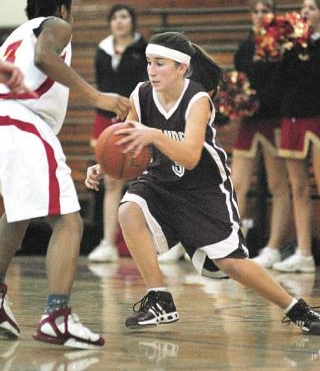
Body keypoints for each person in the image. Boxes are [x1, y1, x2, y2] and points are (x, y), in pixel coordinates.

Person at [85, 31, 320, 334]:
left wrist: (154, 135)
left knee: (230, 263)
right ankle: (160, 299)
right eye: (148, 63)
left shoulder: (197, 100)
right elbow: (125, 142)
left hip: (203, 187)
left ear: (181, 67)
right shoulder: (140, 95)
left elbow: (191, 156)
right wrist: (103, 165)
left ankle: (297, 309)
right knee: (128, 209)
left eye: (160, 64)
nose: (151, 70)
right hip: (160, 180)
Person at [0, 0, 130, 348]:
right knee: (69, 221)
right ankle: (57, 317)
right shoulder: (54, 24)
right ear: (63, 10)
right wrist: (97, 97)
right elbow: (45, 56)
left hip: (6, 122)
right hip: (24, 123)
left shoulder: (13, 36)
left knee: (17, 215)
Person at [232, 0, 290, 268]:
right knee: (237, 185)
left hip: (272, 121)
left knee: (279, 186)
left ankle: (274, 248)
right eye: (255, 11)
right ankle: (233, 245)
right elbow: (239, 82)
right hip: (248, 123)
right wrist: (237, 102)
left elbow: (281, 85)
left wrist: (258, 101)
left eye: (265, 10)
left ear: (274, 14)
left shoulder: (282, 47)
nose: (260, 15)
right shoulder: (244, 47)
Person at [88, 4, 148, 263]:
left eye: (124, 16)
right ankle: (108, 242)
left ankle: (150, 241)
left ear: (132, 21)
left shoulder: (143, 49)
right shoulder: (102, 50)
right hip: (105, 120)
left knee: (145, 178)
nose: (119, 21)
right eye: (114, 18)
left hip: (134, 118)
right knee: (111, 181)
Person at [273, 0, 320, 273]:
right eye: (303, 8)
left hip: (317, 117)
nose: (305, 12)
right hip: (292, 117)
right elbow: (282, 82)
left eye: (312, 8)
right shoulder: (290, 45)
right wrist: (285, 50)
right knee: (298, 188)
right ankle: (304, 253)